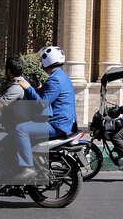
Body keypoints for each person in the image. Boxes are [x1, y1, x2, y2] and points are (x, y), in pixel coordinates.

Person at [14, 46, 76, 181]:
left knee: (21, 129)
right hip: (62, 121)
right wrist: (39, 88)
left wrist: (28, 87)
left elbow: (42, 103)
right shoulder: (61, 76)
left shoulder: (55, 79)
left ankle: (27, 168)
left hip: (57, 124)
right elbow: (50, 96)